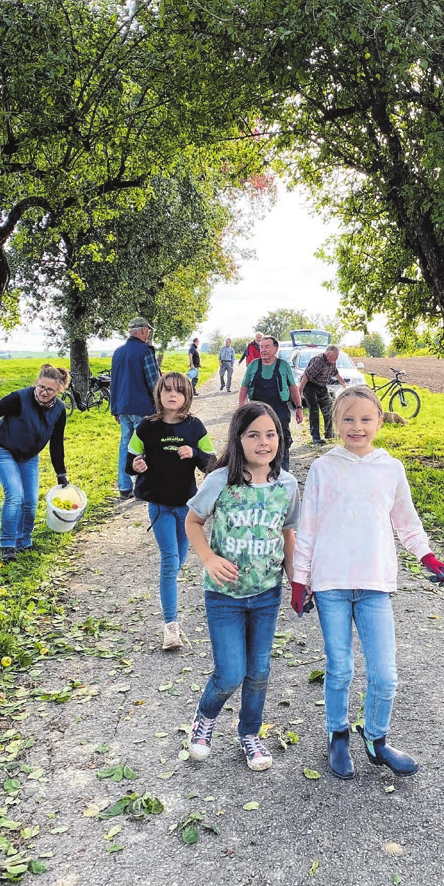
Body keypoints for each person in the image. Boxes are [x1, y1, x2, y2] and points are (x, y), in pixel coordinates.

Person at [291, 386, 444, 780]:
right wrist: (299, 579)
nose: (356, 427)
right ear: (335, 423)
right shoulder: (325, 468)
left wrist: (425, 555)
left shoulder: (390, 468)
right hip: (331, 584)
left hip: (375, 584)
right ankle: (337, 732)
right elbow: (306, 527)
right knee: (340, 668)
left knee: (385, 673)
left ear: (380, 421)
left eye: (365, 419)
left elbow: (406, 522)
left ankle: (376, 739)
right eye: (347, 419)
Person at [185, 402, 300, 771]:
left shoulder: (287, 484)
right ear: (238, 438)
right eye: (254, 434)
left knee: (259, 670)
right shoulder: (220, 481)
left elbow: (287, 533)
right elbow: (192, 521)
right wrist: (208, 558)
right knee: (231, 672)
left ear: (280, 439)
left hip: (267, 594)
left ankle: (249, 733)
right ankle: (204, 719)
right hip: (224, 597)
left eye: (271, 434)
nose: (263, 442)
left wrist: (296, 578)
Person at [126, 372, 216, 651]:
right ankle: (171, 627)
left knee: (178, 559)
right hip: (159, 504)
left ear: (187, 395)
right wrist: (135, 466)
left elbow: (212, 464)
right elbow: (129, 461)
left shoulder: (195, 427)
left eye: (178, 390)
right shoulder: (146, 427)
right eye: (167, 390)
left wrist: (195, 454)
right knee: (169, 559)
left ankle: (168, 587)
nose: (172, 395)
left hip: (188, 508)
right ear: (159, 395)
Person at [0, 364, 72, 562]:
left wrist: (61, 472)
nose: (44, 392)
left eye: (50, 389)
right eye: (41, 387)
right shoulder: (19, 398)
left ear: (58, 391)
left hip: (28, 456)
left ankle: (23, 540)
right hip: (2, 449)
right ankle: (8, 544)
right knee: (15, 496)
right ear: (36, 383)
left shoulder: (59, 410)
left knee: (30, 501)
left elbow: (56, 443)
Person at [110, 317, 160, 498]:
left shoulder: (118, 352)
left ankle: (124, 486)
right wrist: (161, 406)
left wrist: (114, 408)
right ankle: (142, 486)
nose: (148, 334)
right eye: (148, 330)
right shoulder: (145, 351)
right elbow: (154, 382)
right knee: (143, 447)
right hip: (142, 407)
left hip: (123, 406)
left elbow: (113, 382)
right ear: (143, 330)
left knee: (125, 445)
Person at [239, 335, 304, 471]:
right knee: (257, 442)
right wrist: (242, 408)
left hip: (279, 410)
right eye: (261, 347)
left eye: (267, 347)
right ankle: (258, 472)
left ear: (276, 349)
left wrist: (299, 407)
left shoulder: (283, 366)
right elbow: (244, 387)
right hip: (256, 411)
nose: (263, 350)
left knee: (282, 442)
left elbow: (293, 387)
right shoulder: (253, 366)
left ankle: (282, 474)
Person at [301, 345, 346, 445]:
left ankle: (329, 434)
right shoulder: (319, 361)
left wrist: (344, 384)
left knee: (329, 408)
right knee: (314, 410)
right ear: (329, 354)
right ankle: (315, 437)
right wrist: (300, 390)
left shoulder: (332, 362)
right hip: (309, 385)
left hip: (321, 386)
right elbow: (306, 376)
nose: (337, 358)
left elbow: (336, 373)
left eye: (338, 356)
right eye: (335, 356)